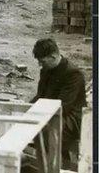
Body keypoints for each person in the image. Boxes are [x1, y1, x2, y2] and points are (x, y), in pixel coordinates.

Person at [31, 38, 86, 168]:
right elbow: (40, 96)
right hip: (52, 112)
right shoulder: (45, 70)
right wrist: (25, 108)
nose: (40, 64)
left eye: (42, 61)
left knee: (44, 131)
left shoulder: (73, 74)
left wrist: (36, 114)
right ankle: (48, 164)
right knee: (25, 122)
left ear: (53, 56)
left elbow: (64, 107)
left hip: (71, 118)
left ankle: (55, 167)